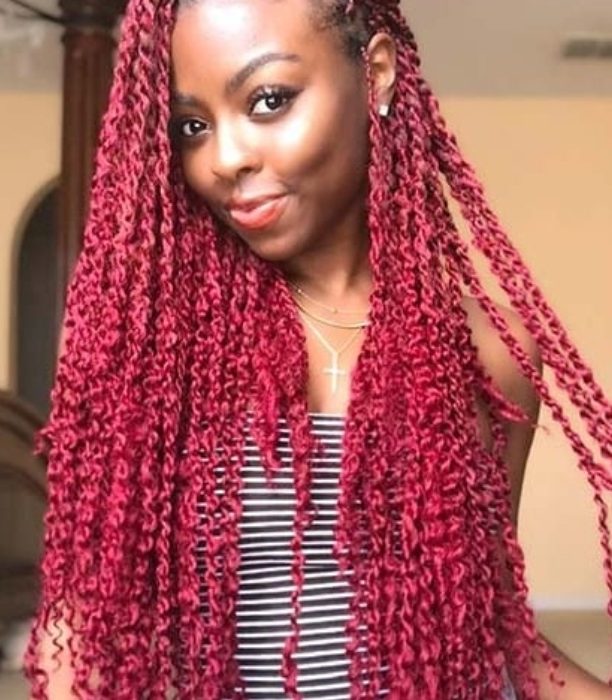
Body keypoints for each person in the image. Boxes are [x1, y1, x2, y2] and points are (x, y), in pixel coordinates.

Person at [24, 0, 612, 698]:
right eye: (192, 126)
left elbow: (494, 628)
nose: (226, 158)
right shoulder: (159, 348)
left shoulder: (491, 352)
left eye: (268, 100)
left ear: (377, 73)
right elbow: (79, 630)